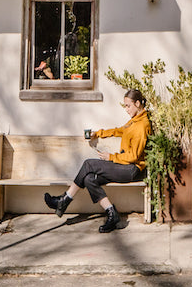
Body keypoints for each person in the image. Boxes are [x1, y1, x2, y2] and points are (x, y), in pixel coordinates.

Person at [44, 88, 150, 233]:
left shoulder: (142, 125)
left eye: (128, 106)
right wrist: (98, 133)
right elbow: (119, 130)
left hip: (132, 169)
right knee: (88, 178)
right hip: (125, 166)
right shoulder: (134, 122)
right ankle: (112, 214)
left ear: (137, 103)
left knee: (89, 164)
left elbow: (134, 157)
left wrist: (111, 157)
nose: (126, 109)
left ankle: (64, 200)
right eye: (125, 106)